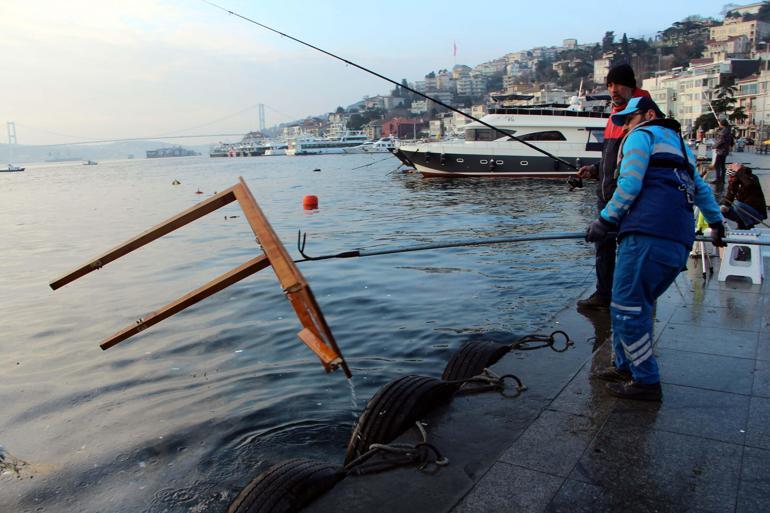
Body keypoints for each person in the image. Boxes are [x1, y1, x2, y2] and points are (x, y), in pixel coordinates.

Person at [585, 96, 725, 401]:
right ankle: (625, 367)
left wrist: (605, 220)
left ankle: (647, 380)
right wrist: (716, 223)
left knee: (625, 307)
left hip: (648, 233)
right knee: (638, 304)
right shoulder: (682, 147)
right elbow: (701, 190)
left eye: (629, 120)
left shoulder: (642, 135)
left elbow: (631, 184)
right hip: (678, 240)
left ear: (648, 114)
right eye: (622, 123)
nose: (624, 128)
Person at [576, 64, 652, 310]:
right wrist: (595, 169)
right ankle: (604, 294)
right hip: (606, 195)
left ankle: (633, 300)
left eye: (618, 84)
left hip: (631, 199)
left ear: (631, 85)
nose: (613, 90)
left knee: (632, 249)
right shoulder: (615, 114)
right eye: (609, 85)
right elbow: (613, 156)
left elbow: (639, 162)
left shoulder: (643, 113)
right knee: (604, 247)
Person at [720, 163, 768, 229]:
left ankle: (749, 226)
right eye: (729, 176)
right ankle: (739, 225)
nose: (730, 179)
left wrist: (739, 170)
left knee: (737, 204)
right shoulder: (734, 182)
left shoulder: (752, 178)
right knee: (718, 209)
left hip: (756, 214)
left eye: (731, 176)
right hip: (742, 212)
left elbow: (749, 184)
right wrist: (724, 206)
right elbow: (729, 196)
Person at [712, 118, 734, 184]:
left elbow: (721, 141)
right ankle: (722, 179)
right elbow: (731, 141)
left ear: (722, 124)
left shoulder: (723, 131)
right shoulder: (728, 131)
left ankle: (718, 179)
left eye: (720, 123)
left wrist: (714, 146)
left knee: (717, 165)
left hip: (721, 151)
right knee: (722, 165)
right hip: (725, 150)